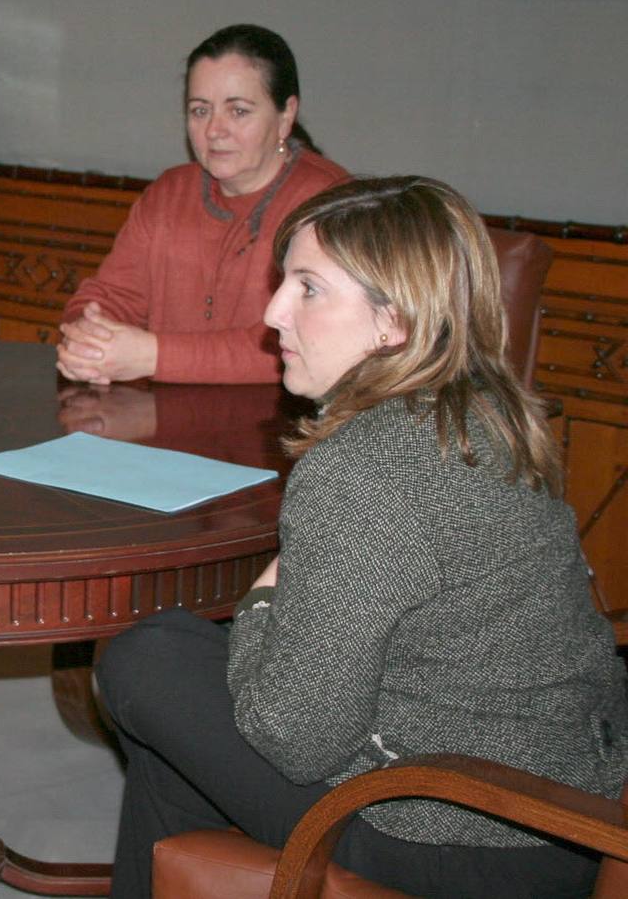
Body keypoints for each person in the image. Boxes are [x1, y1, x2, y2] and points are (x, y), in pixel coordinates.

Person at [93, 175, 628, 897]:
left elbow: (296, 737)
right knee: (179, 725)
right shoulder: (491, 414)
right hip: (568, 814)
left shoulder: (363, 472)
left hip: (448, 834)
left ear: (394, 323)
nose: (274, 312)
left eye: (308, 288)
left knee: (145, 658)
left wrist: (260, 603)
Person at [57, 24, 347, 385]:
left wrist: (153, 355)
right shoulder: (169, 193)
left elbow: (300, 344)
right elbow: (109, 297)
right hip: (163, 423)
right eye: (199, 111)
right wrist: (88, 339)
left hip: (283, 429)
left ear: (286, 115)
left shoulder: (331, 203)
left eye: (238, 111)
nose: (214, 130)